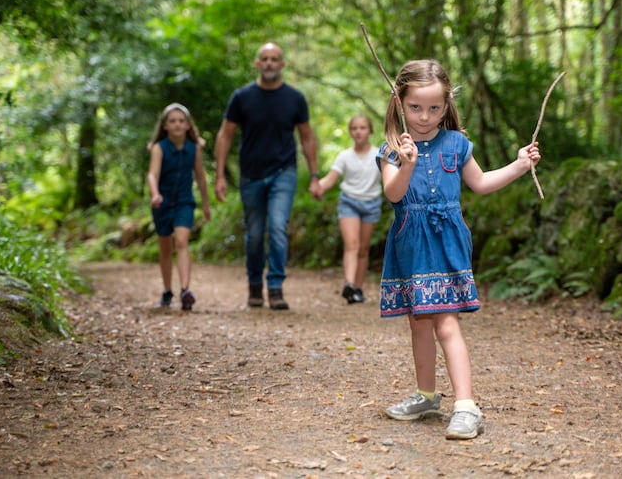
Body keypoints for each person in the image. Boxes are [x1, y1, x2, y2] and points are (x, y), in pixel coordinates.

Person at [376, 60, 541, 440]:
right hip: (410, 241)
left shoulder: (456, 144)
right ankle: (426, 396)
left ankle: (466, 406)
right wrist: (406, 164)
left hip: (446, 240)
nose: (425, 116)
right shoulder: (392, 150)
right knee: (419, 321)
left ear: (447, 104)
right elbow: (393, 194)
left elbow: (480, 183)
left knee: (445, 320)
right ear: (399, 102)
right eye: (415, 107)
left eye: (434, 108)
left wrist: (518, 166)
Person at [214, 42, 321, 310]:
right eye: (265, 58)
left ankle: (275, 287)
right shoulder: (242, 97)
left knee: (277, 227)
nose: (270, 63)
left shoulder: (294, 98)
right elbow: (225, 135)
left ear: (282, 64)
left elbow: (307, 137)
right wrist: (219, 175)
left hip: (283, 172)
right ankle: (254, 284)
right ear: (257, 63)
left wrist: (315, 176)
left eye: (274, 59)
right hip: (251, 175)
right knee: (254, 234)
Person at [147, 103, 211, 311]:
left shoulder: (194, 148)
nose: (177, 124)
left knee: (182, 242)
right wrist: (155, 194)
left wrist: (206, 204)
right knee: (165, 247)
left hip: (184, 202)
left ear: (188, 125)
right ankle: (167, 290)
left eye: (181, 121)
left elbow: (200, 177)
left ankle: (185, 290)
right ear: (165, 126)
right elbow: (152, 175)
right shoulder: (159, 148)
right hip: (162, 203)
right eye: (172, 121)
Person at [316, 114, 382, 304]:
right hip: (349, 203)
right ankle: (349, 284)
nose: (358, 132)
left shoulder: (379, 155)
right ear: (350, 132)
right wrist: (317, 187)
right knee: (352, 244)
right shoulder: (344, 156)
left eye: (362, 128)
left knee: (363, 249)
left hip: (371, 204)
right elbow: (330, 179)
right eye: (354, 128)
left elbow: (390, 177)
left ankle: (358, 290)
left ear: (370, 131)